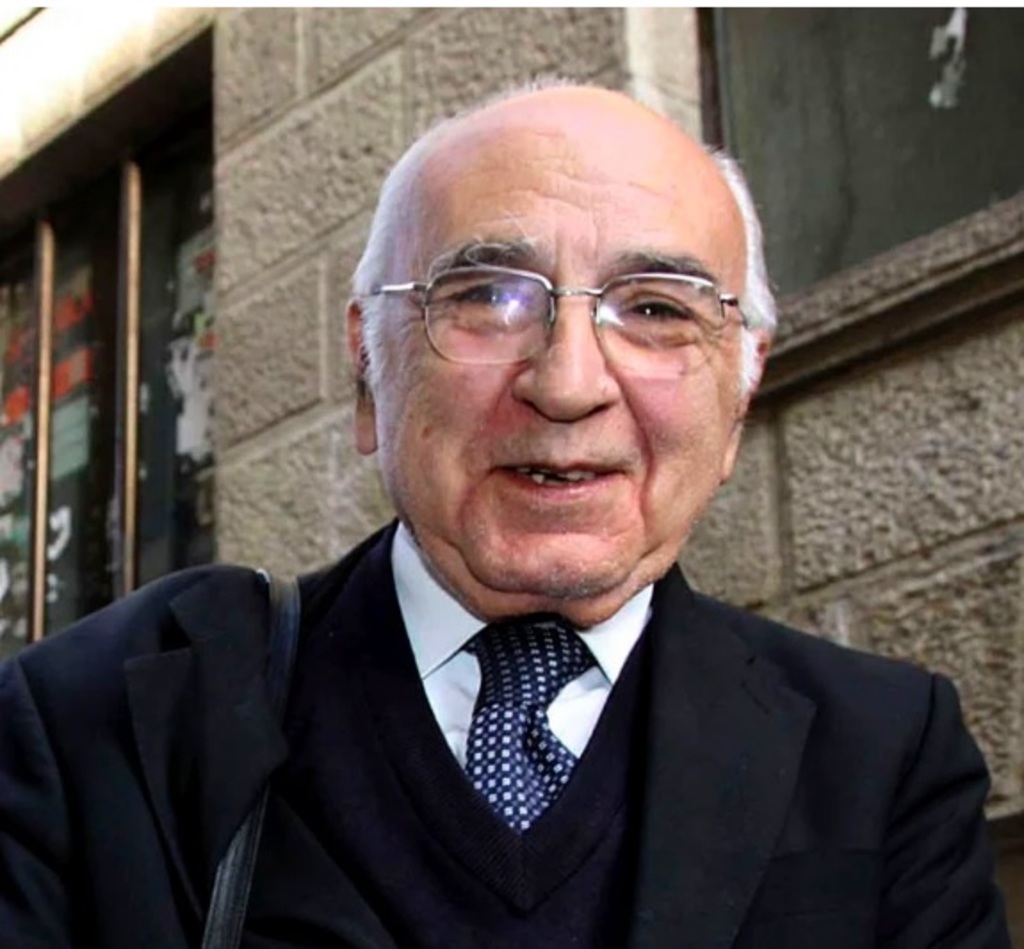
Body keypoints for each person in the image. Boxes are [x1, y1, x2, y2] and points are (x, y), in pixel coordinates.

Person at [0, 84, 1011, 948]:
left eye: (657, 308)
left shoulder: (882, 754)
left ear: (740, 394)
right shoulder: (98, 728)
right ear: (368, 369)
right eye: (487, 296)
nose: (569, 383)